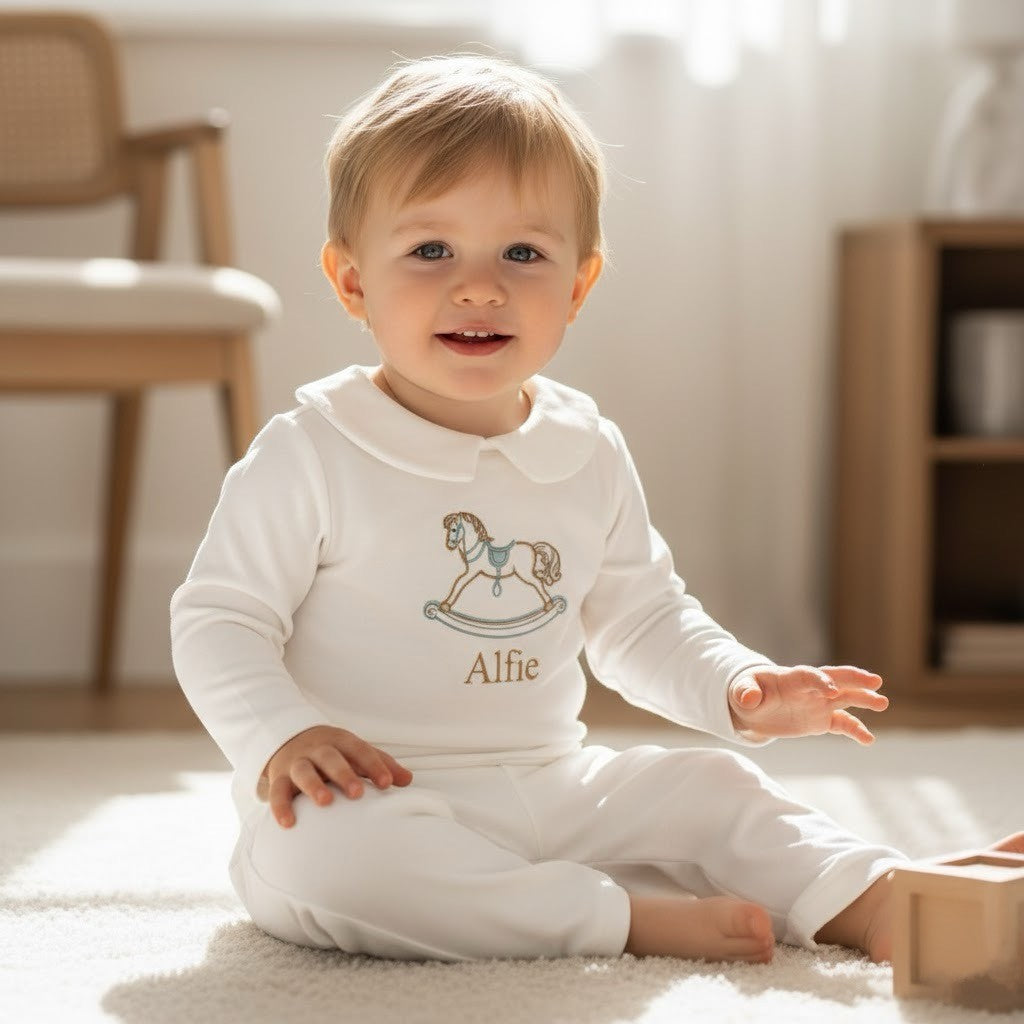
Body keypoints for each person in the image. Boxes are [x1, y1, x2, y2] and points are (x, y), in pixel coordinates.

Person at [170, 54, 1023, 965]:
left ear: (577, 286)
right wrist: (284, 737)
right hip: (368, 800)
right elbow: (220, 619)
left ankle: (872, 895)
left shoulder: (585, 448)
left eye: (523, 254)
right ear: (352, 283)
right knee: (320, 865)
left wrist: (736, 687)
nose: (480, 286)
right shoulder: (314, 449)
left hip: (556, 786)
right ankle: (619, 921)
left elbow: (642, 621)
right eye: (430, 251)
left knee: (712, 789)